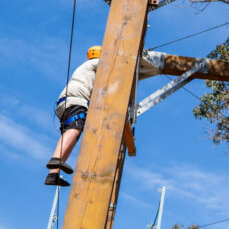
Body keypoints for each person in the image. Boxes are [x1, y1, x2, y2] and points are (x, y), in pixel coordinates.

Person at [45, 46, 162, 186]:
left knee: (73, 132)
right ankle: (57, 159)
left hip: (66, 102)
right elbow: (119, 65)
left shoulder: (87, 70)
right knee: (75, 128)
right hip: (76, 99)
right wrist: (141, 57)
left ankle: (53, 173)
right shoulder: (95, 63)